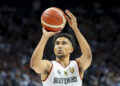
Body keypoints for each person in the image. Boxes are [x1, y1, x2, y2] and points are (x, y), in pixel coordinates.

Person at [30, 10, 92, 86]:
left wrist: (75, 29)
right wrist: (44, 37)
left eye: (64, 43)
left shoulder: (77, 65)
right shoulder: (49, 66)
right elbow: (34, 65)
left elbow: (88, 56)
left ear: (71, 49)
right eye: (57, 43)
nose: (59, 46)